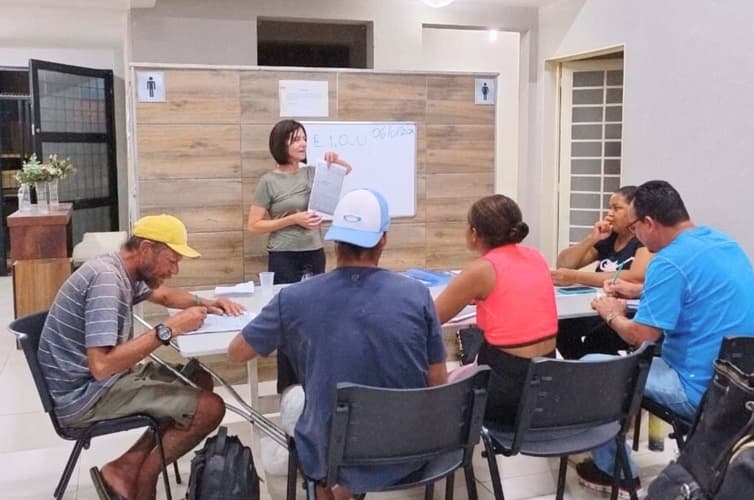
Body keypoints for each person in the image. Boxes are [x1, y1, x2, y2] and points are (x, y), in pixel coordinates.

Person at [229, 189, 447, 500]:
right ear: (383, 239)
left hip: (335, 450)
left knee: (296, 403)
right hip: (410, 449)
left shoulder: (293, 299)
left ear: (334, 241)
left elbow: (237, 352)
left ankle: (329, 488)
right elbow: (437, 382)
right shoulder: (417, 295)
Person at [574, 180, 754, 496]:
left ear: (649, 223)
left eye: (636, 226)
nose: (636, 234)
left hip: (702, 389)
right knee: (637, 360)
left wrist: (612, 313)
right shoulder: (723, 242)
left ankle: (614, 471)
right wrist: (643, 290)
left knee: (592, 366)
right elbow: (700, 286)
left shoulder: (667, 261)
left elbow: (642, 334)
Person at [38, 214, 244, 500]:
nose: (175, 270)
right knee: (210, 408)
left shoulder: (123, 268)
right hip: (84, 395)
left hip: (98, 381)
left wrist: (207, 303)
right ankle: (144, 480)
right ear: (146, 249)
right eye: (172, 260)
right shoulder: (107, 282)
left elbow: (165, 296)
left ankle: (125, 468)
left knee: (198, 378)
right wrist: (169, 329)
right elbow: (102, 366)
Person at [246, 119, 352, 393]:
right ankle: (289, 387)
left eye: (304, 138)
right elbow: (254, 225)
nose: (302, 144)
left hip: (314, 252)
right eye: (295, 139)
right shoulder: (268, 181)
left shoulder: (311, 173)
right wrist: (292, 219)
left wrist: (336, 160)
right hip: (283, 255)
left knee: (317, 318)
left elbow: (346, 171)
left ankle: (315, 382)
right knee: (289, 320)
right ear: (281, 145)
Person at [435, 194, 557, 427]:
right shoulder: (536, 256)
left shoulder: (480, 270)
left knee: (440, 383)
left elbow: (432, 318)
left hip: (505, 393)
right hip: (545, 384)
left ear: (473, 233)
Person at [553, 186, 653, 359]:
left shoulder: (642, 239)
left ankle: (590, 371)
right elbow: (565, 263)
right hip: (596, 305)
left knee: (597, 340)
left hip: (624, 309)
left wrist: (575, 277)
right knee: (560, 327)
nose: (610, 214)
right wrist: (591, 239)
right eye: (609, 207)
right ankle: (580, 368)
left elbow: (636, 276)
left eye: (617, 208)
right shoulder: (610, 238)